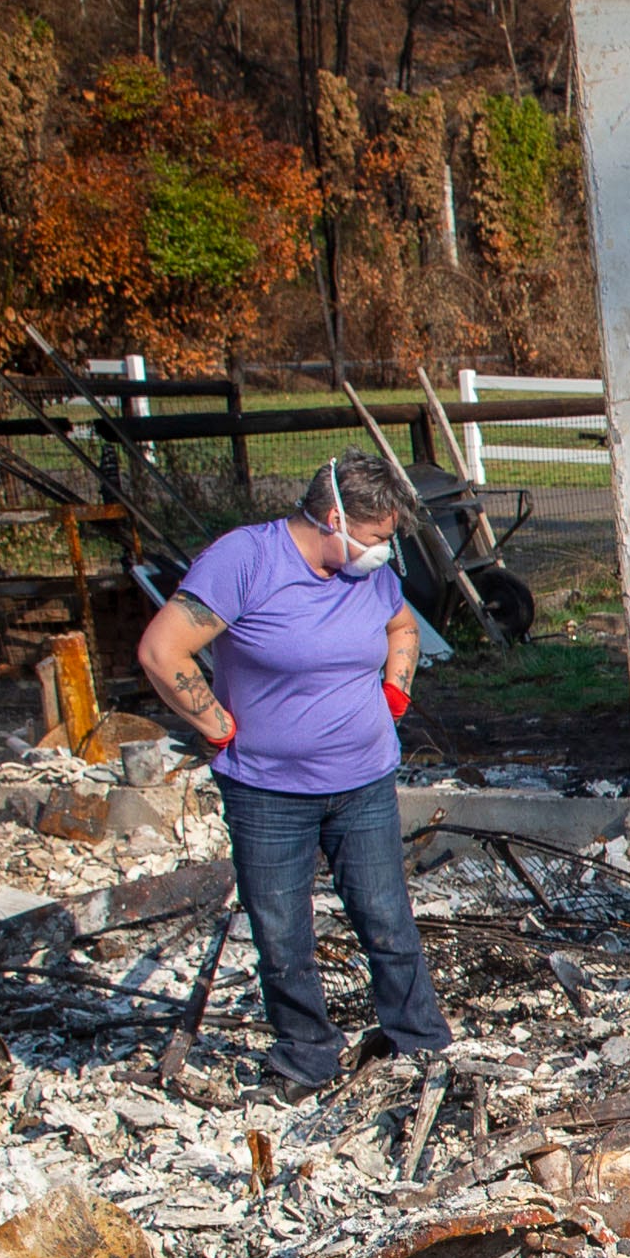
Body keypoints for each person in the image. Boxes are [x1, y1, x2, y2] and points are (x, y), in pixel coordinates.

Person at [138, 452, 452, 1093]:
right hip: (267, 791)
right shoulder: (245, 561)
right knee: (283, 934)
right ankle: (307, 1056)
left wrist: (396, 691)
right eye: (378, 537)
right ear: (335, 518)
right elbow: (161, 649)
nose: (384, 553)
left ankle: (418, 1043)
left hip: (362, 782)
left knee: (386, 918)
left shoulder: (367, 577)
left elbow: (401, 626)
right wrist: (215, 725)